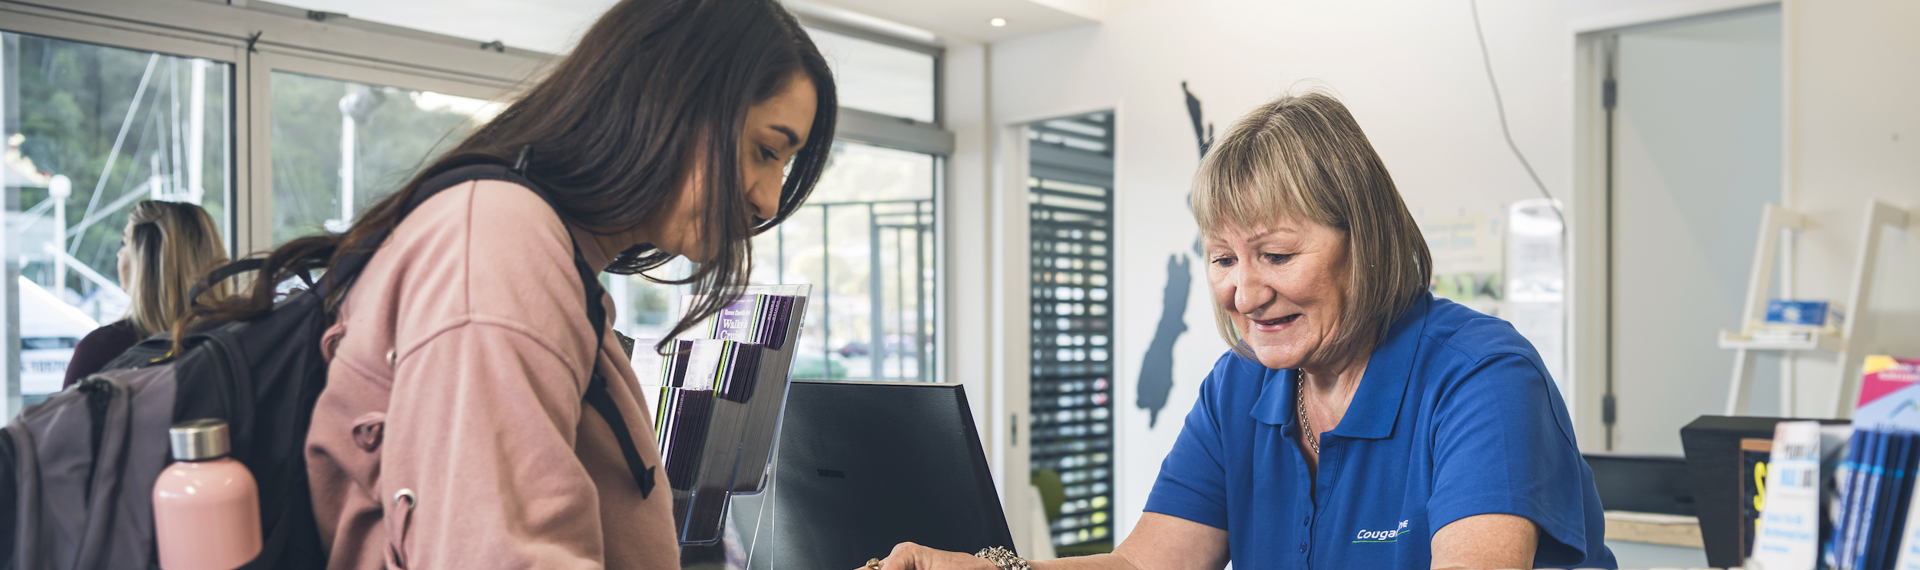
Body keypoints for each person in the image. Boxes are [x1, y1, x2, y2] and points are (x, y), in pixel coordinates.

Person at [178, 0, 836, 567]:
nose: (768, 200)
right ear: (674, 100)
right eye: (765, 150)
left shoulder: (552, 265)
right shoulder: (502, 248)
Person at [870, 92, 1616, 570]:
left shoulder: (1482, 380)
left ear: (1367, 239)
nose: (1245, 291)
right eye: (1223, 258)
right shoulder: (1241, 388)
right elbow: (1145, 568)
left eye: (1277, 255)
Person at [63, 200, 230, 388]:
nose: (119, 254)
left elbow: (63, 416)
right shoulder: (235, 347)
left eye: (124, 243)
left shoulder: (101, 350)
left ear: (145, 264)